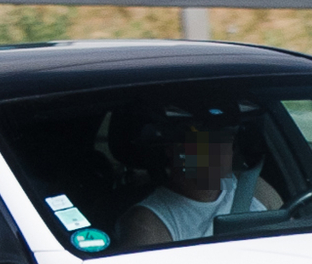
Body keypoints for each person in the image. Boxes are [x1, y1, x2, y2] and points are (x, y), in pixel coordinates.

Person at [116, 99, 279, 248]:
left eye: (224, 139)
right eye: (200, 142)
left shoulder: (252, 187)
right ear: (171, 148)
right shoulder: (147, 222)